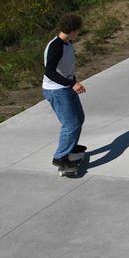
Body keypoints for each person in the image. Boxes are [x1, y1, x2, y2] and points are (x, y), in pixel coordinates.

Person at [43, 14, 87, 173]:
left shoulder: (67, 43)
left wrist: (72, 82)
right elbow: (49, 72)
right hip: (56, 90)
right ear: (73, 31)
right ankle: (60, 157)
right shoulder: (56, 46)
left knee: (79, 118)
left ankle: (71, 147)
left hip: (66, 87)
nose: (78, 34)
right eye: (78, 31)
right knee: (70, 124)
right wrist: (72, 84)